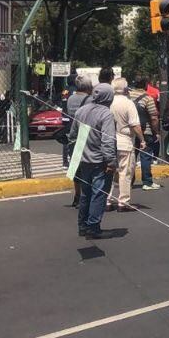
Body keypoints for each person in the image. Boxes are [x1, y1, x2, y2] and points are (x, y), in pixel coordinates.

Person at [69, 83, 118, 239]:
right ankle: (93, 227)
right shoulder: (106, 114)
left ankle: (82, 225)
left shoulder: (81, 111)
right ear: (108, 97)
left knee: (86, 193)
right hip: (99, 161)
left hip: (84, 159)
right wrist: (111, 162)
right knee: (99, 194)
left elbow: (73, 135)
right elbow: (108, 140)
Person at [107, 79, 143, 212]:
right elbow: (135, 125)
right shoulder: (128, 103)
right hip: (125, 141)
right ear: (126, 89)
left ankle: (107, 200)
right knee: (125, 173)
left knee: (109, 171)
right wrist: (142, 139)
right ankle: (123, 201)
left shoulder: (108, 102)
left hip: (109, 141)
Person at [129, 76, 161, 191]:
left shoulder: (128, 97)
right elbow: (154, 118)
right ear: (146, 85)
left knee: (131, 157)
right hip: (145, 130)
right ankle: (147, 182)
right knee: (145, 156)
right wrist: (156, 132)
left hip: (131, 131)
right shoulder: (148, 98)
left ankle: (129, 181)